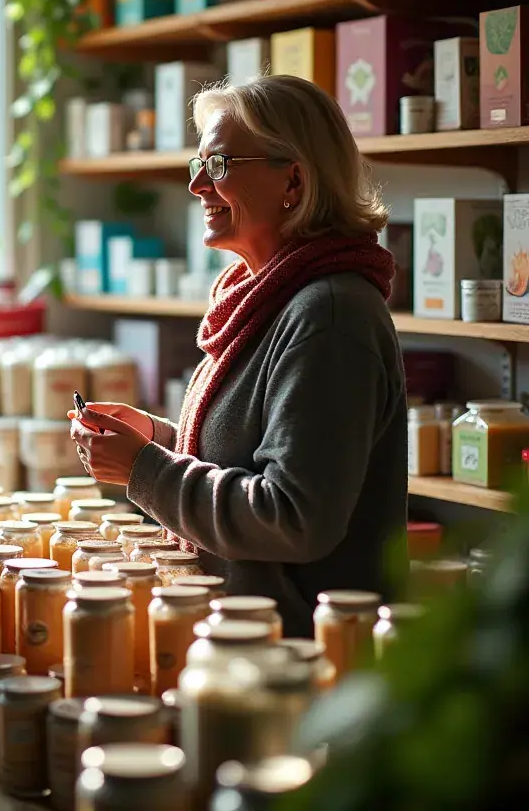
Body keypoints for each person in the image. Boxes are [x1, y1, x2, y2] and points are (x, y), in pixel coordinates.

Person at [70, 74, 407, 639]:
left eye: (220, 165)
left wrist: (144, 469)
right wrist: (157, 438)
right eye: (198, 165)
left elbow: (293, 518)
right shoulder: (266, 294)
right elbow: (259, 454)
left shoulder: (328, 314)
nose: (199, 185)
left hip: (296, 663)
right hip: (246, 643)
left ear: (293, 181)